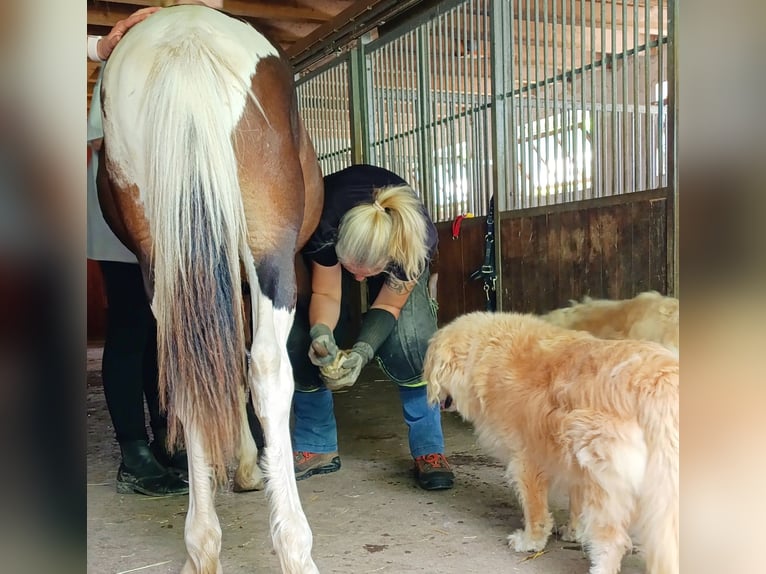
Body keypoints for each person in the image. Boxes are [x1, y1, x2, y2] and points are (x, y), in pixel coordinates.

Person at [289, 164, 455, 491]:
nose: (360, 280)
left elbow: (390, 305)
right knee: (297, 338)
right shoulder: (325, 224)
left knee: (411, 340)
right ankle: (317, 444)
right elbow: (327, 292)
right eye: (353, 271)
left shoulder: (416, 241)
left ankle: (429, 447)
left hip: (399, 242)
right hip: (336, 217)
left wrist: (363, 352)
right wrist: (320, 333)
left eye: (367, 273)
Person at [87, 7, 187, 496]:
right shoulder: (125, 59)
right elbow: (101, 139)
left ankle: (166, 438)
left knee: (159, 328)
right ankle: (134, 450)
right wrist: (100, 48)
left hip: (167, 216)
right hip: (121, 207)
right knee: (132, 324)